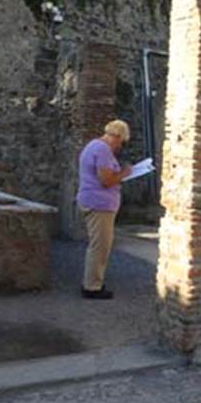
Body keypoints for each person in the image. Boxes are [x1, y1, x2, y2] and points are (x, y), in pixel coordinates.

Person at [76, 120, 132, 299]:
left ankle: (91, 282)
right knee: (100, 247)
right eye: (121, 141)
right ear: (117, 136)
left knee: (97, 245)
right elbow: (106, 180)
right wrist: (125, 173)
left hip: (92, 201)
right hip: (99, 204)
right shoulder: (103, 150)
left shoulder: (93, 146)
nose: (119, 146)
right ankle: (92, 286)